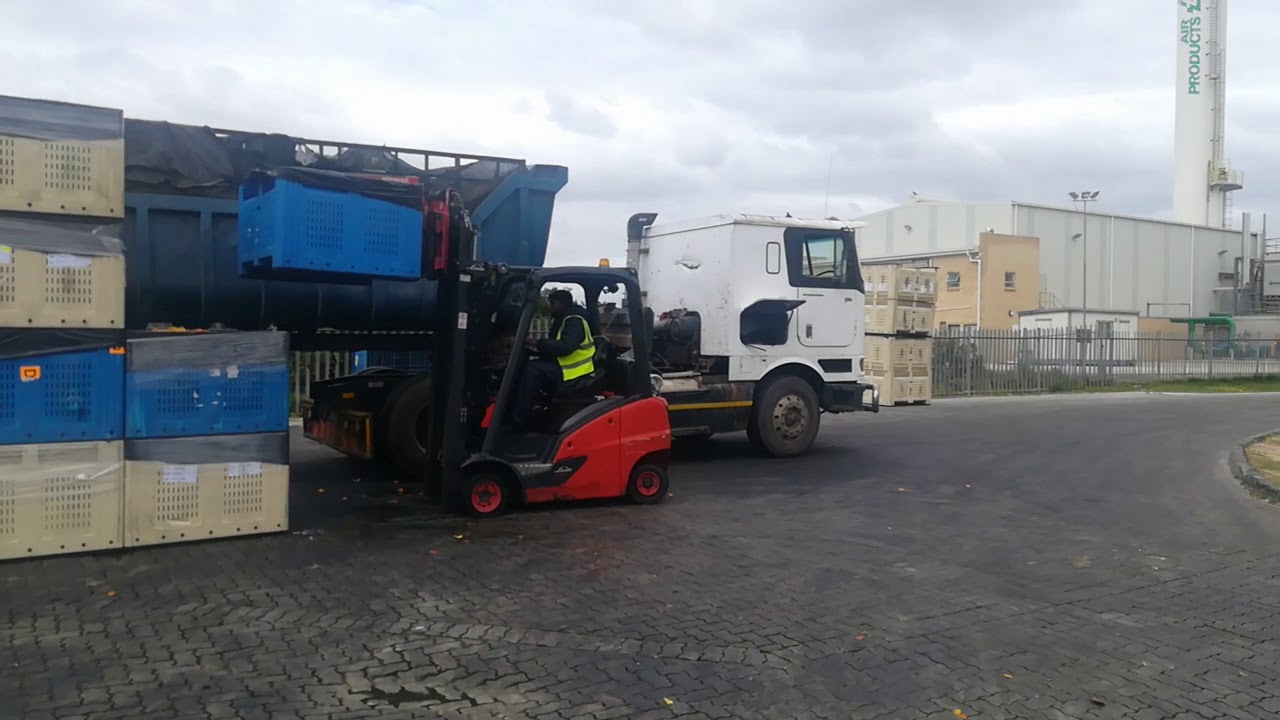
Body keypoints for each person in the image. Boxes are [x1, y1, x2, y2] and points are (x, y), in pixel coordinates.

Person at [509, 289, 596, 430]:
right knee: (530, 363)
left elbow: (566, 347)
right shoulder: (563, 319)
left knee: (532, 369)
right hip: (565, 366)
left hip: (574, 372)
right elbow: (556, 346)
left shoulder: (575, 321)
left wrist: (537, 342)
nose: (550, 306)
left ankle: (518, 420)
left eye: (552, 302)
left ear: (562, 303)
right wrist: (534, 348)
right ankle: (530, 409)